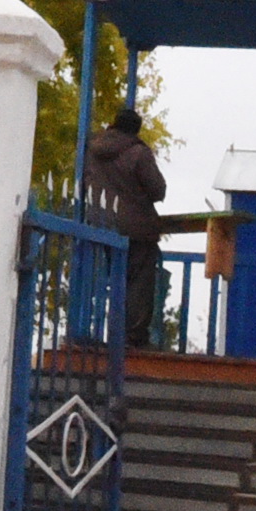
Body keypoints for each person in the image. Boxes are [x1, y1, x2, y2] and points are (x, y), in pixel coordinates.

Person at [83, 103, 167, 345]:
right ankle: (132, 337)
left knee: (111, 277)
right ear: (136, 130)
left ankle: (101, 333)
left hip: (100, 224)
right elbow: (158, 190)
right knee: (139, 281)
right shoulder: (138, 153)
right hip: (135, 229)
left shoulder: (92, 149)